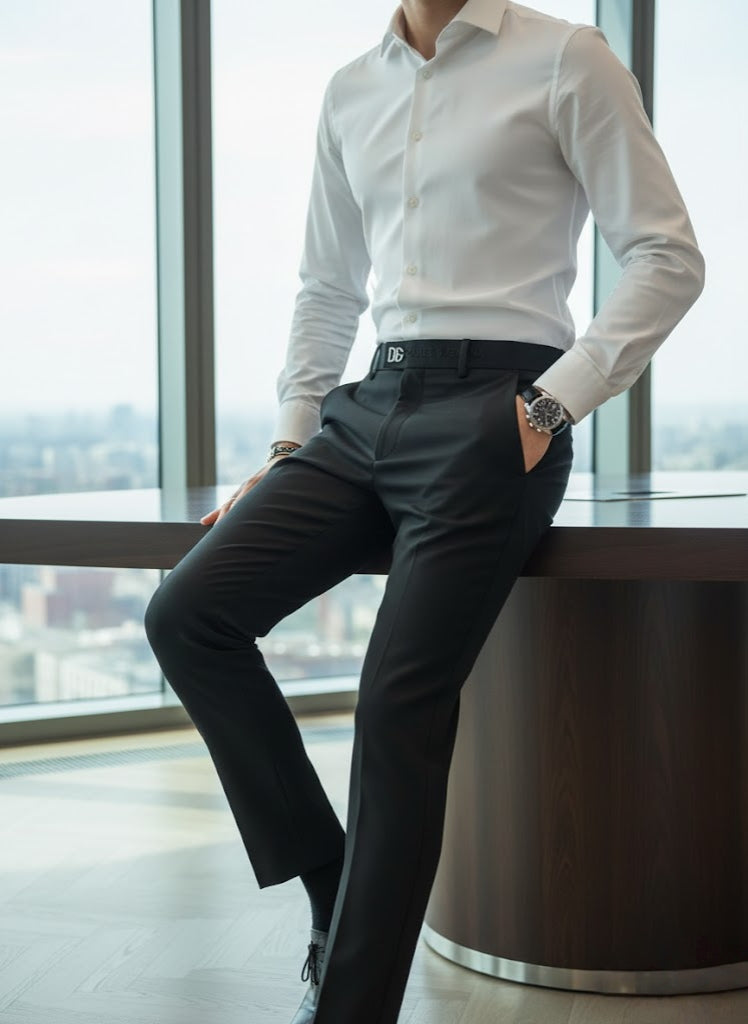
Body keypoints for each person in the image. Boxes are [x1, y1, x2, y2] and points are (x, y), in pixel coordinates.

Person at [144, 0, 705, 1021]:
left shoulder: (566, 59)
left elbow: (666, 256)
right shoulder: (350, 88)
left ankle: (350, 1004)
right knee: (186, 615)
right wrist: (288, 442)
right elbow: (325, 287)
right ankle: (332, 884)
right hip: (362, 412)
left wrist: (547, 404)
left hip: (498, 408)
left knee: (398, 702)